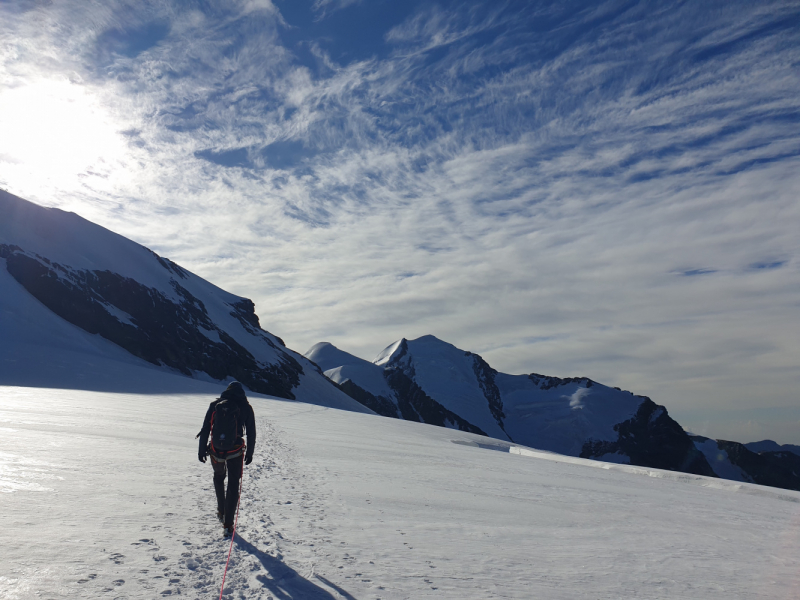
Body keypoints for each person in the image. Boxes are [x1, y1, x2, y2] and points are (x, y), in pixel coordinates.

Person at [197, 381, 256, 536]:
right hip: (235, 451)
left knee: (218, 477)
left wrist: (201, 449)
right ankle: (228, 524)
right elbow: (251, 432)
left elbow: (205, 428)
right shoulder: (246, 407)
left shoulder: (215, 405)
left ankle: (221, 510)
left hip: (216, 450)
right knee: (233, 484)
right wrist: (250, 452)